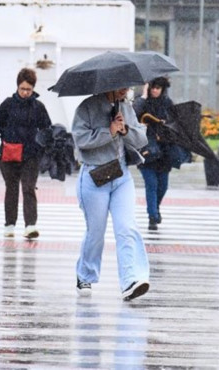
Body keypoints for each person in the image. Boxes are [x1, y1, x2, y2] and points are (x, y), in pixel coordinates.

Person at [72, 86, 150, 301]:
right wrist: (109, 131)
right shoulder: (87, 107)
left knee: (127, 228)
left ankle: (131, 280)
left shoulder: (126, 107)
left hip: (121, 176)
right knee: (96, 232)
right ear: (109, 85)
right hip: (94, 176)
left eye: (128, 86)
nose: (126, 90)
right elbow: (80, 140)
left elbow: (141, 138)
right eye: (122, 87)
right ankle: (85, 275)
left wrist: (126, 131)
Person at [0, 68, 51, 239]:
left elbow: (47, 130)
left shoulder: (39, 107)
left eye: (28, 90)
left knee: (29, 188)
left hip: (31, 155)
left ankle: (30, 225)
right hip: (9, 154)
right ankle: (9, 224)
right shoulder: (7, 104)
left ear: (33, 89)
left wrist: (46, 147)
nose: (25, 93)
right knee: (12, 189)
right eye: (22, 89)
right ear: (17, 87)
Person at [133, 77, 174, 230]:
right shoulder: (141, 102)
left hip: (164, 151)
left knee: (163, 186)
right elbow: (133, 113)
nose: (155, 90)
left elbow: (175, 123)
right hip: (147, 149)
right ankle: (152, 216)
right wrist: (143, 95)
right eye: (153, 87)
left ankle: (155, 209)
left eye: (159, 87)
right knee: (151, 184)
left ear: (163, 89)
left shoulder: (168, 103)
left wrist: (165, 128)